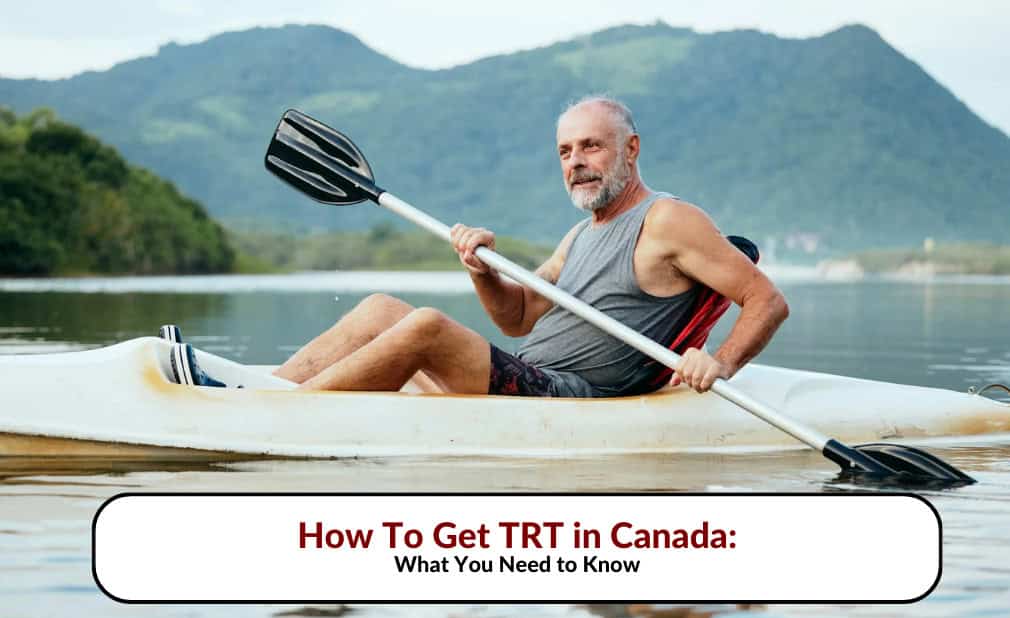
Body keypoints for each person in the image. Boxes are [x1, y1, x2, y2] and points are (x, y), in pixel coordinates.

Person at [267, 96, 789, 396]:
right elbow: (517, 317)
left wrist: (719, 362)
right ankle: (267, 394)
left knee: (426, 326)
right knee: (382, 309)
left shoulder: (669, 220)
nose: (575, 161)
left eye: (591, 146)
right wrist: (481, 271)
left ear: (630, 150)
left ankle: (281, 419)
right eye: (565, 151)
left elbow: (766, 300)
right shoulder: (580, 234)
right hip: (521, 378)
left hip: (565, 398)